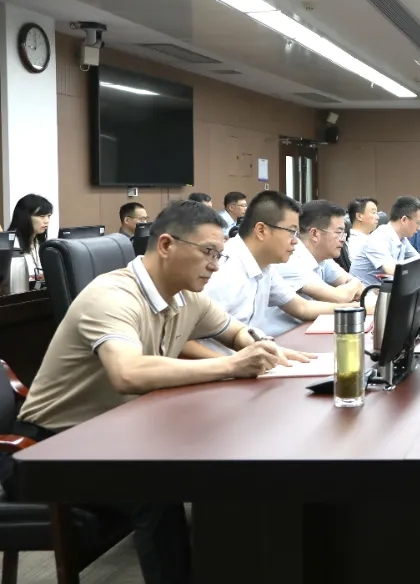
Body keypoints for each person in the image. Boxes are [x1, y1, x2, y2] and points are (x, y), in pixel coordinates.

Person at [2, 199, 311, 584]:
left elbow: (235, 332)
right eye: (208, 252)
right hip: (49, 450)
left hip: (114, 434)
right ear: (166, 245)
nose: (215, 265)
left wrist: (262, 347)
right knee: (156, 488)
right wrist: (231, 366)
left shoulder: (185, 297)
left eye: (219, 255)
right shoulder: (113, 296)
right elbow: (127, 373)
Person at [201, 190, 342, 353]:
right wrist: (230, 364)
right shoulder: (223, 269)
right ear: (261, 230)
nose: (295, 241)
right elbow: (186, 338)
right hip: (219, 364)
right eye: (291, 232)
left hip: (252, 357)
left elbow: (302, 307)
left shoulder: (266, 266)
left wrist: (355, 308)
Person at [260, 200, 364, 335]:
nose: (343, 239)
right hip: (282, 335)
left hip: (306, 329)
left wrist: (354, 285)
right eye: (338, 233)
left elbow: (355, 286)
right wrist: (358, 304)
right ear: (315, 234)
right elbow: (339, 297)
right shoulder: (290, 259)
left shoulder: (324, 258)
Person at [351, 196, 420, 286]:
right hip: (365, 291)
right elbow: (392, 270)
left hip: (384, 289)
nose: (419, 228)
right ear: (404, 220)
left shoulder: (402, 238)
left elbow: (418, 260)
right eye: (418, 223)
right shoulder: (379, 237)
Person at [8, 193, 52, 289]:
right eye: (42, 216)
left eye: (49, 216)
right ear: (26, 217)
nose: (47, 221)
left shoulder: (39, 243)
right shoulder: (11, 244)